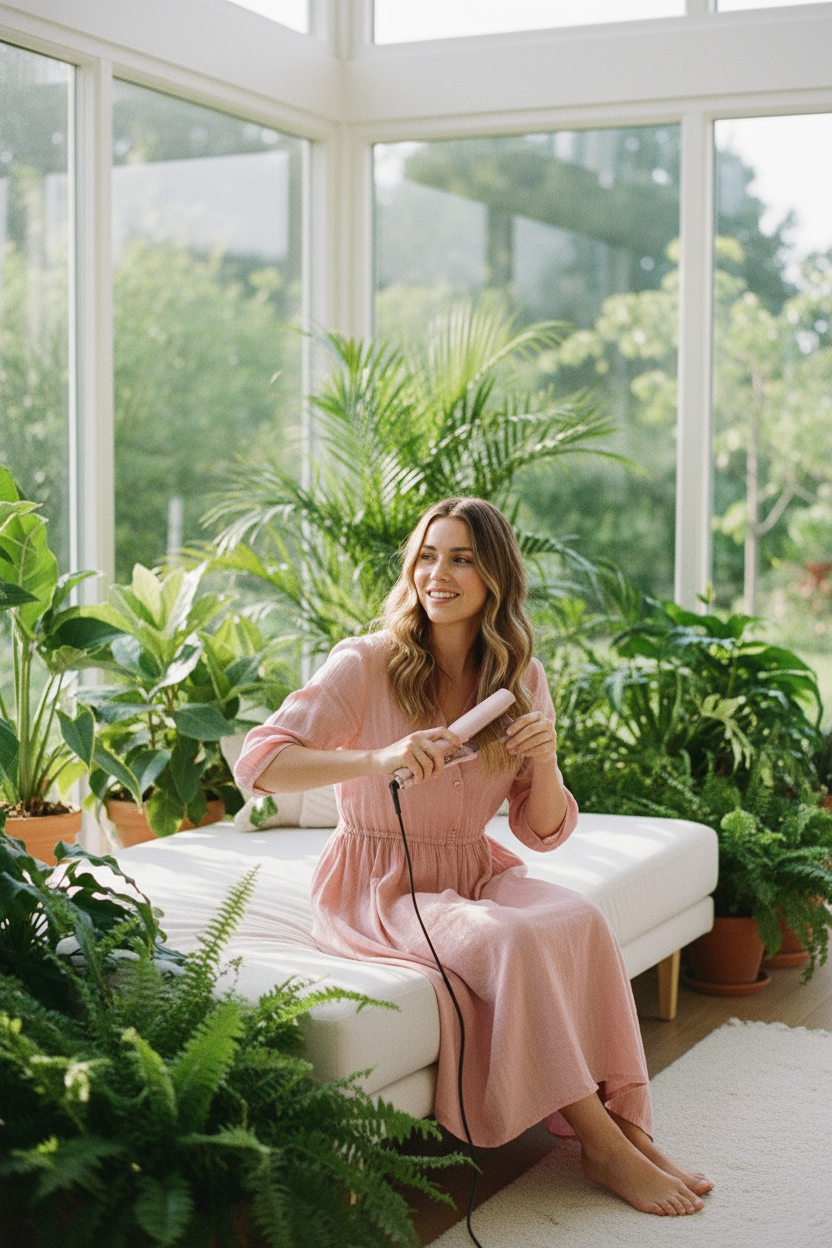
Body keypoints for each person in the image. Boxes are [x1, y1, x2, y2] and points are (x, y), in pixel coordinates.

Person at [235, 497, 712, 1217]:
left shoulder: (519, 678)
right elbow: (260, 763)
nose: (439, 572)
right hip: (378, 886)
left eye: (460, 558)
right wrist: (380, 756)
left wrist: (545, 760)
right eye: (428, 555)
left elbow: (543, 831)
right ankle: (600, 1145)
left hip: (475, 868)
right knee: (507, 938)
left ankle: (629, 1127)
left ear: (494, 576)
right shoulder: (364, 663)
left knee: (579, 917)